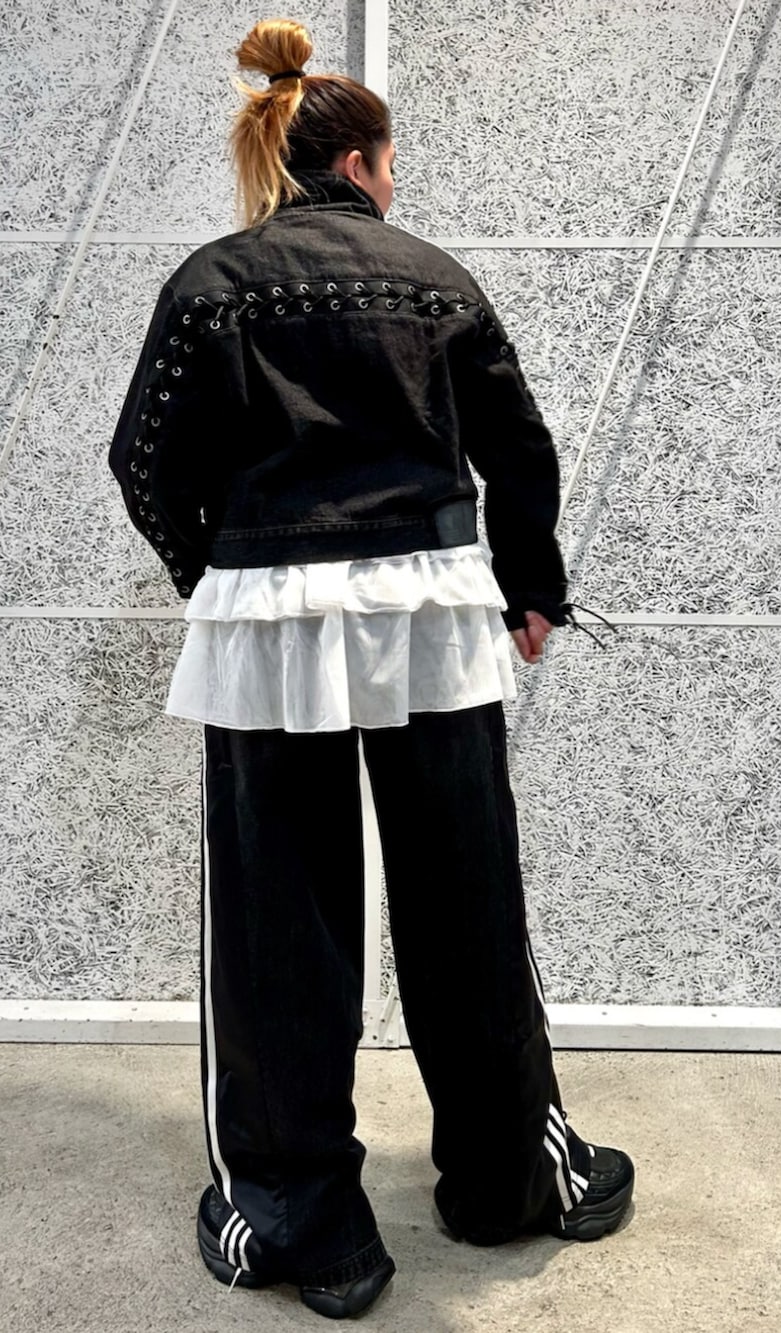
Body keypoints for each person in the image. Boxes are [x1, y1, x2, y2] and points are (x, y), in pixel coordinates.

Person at [109, 17, 633, 1321]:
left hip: (272, 623)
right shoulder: (435, 277)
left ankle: (304, 1224)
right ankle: (509, 1179)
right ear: (361, 161)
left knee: (277, 915)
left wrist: (217, 571)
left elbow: (145, 458)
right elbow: (521, 447)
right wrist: (533, 588)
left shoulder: (211, 283)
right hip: (432, 611)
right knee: (468, 895)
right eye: (393, 163)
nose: (397, 183)